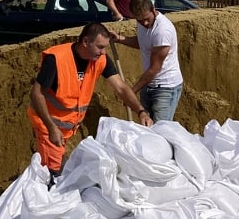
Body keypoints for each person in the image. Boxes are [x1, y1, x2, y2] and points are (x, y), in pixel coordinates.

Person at [28, 22, 153, 178]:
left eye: (105, 47)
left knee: (58, 170)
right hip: (48, 124)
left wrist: (141, 111)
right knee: (54, 172)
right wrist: (51, 127)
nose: (103, 52)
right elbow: (36, 94)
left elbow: (121, 87)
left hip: (67, 127)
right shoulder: (57, 59)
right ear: (85, 42)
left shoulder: (100, 60)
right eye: (100, 47)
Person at [110, 0, 183, 122]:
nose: (144, 23)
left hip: (165, 87)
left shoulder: (162, 31)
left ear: (153, 9)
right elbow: (144, 43)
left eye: (146, 19)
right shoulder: (143, 23)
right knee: (147, 127)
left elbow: (154, 69)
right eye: (139, 20)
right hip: (149, 85)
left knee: (161, 130)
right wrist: (120, 39)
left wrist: (131, 93)